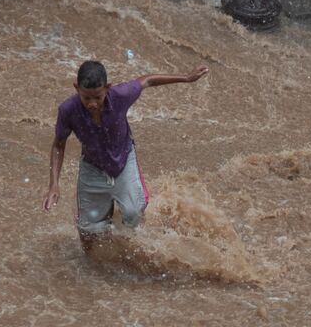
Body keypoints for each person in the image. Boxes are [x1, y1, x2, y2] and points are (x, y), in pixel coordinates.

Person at [41, 60, 208, 251]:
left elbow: (147, 81)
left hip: (124, 160)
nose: (92, 104)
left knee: (133, 215)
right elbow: (58, 145)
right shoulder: (67, 110)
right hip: (92, 166)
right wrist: (54, 184)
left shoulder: (120, 95)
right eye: (86, 98)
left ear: (108, 88)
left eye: (98, 97)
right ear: (76, 88)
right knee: (87, 229)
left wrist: (186, 78)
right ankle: (89, 268)